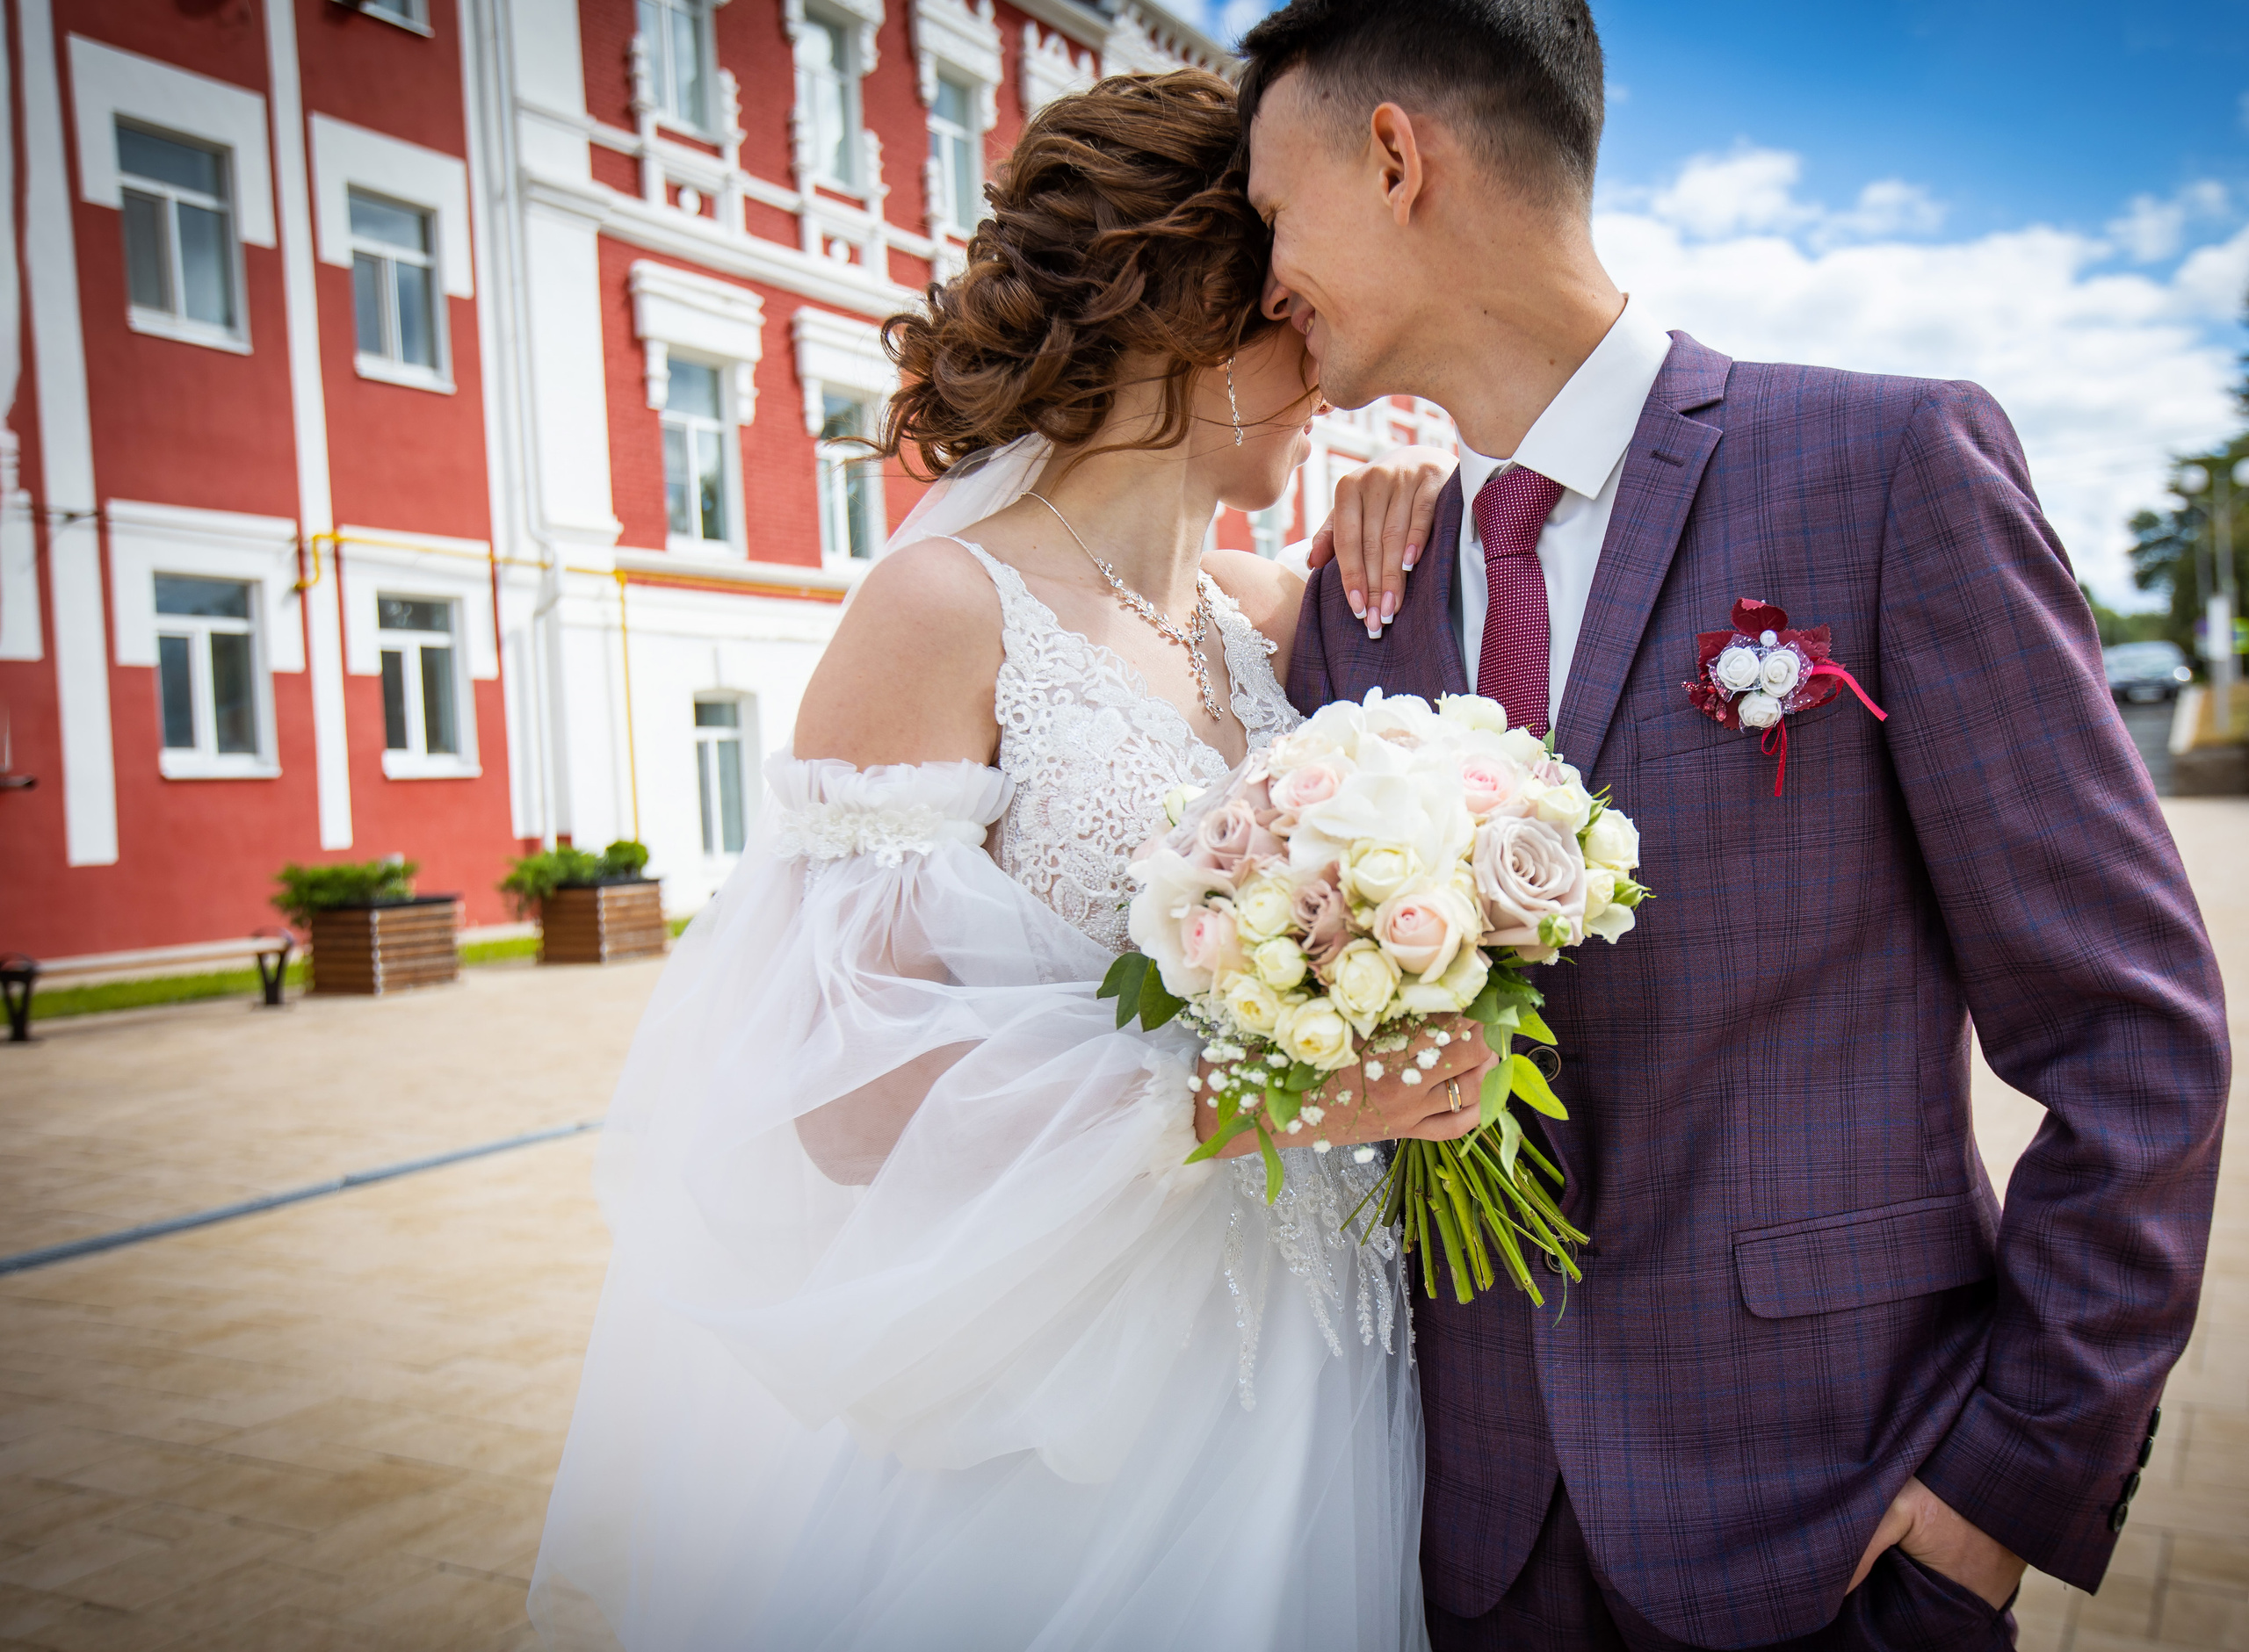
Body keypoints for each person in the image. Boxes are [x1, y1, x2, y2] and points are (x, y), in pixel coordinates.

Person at [1239, 3, 2231, 1649]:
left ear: (1397, 158)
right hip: (1465, 1537)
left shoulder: (1887, 467)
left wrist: (2007, 1486)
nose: (1268, 273)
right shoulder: (1367, 589)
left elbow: (2135, 1038)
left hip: (1841, 1518)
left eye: (1277, 213)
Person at [530, 71, 1473, 1652]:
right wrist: (1287, 1095)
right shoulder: (945, 611)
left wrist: (1423, 505)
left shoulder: (1262, 616)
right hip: (1084, 1393)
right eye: (1294, 317)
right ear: (1190, 322)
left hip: (1322, 1357)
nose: (1331, 368)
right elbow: (842, 1089)